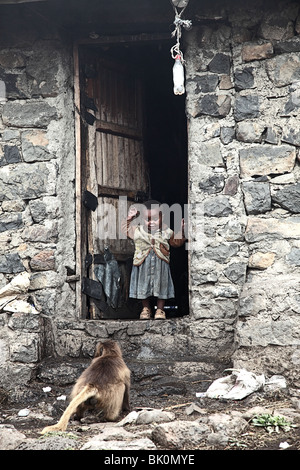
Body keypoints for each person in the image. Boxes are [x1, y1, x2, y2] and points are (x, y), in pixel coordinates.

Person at [122, 200, 186, 320]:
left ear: (163, 217)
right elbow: (125, 230)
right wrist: (129, 218)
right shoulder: (137, 231)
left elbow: (176, 242)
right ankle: (146, 309)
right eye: (147, 219)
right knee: (143, 285)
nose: (151, 222)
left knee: (161, 285)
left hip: (161, 265)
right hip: (142, 263)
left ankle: (160, 310)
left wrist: (182, 231)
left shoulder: (167, 232)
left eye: (155, 219)